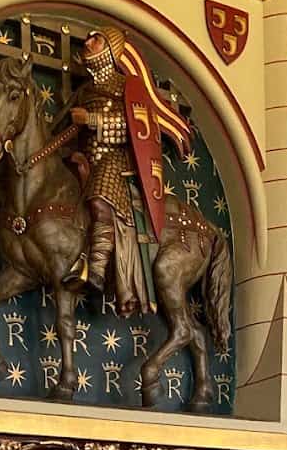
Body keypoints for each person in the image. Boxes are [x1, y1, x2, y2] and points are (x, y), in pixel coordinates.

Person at [61, 27, 192, 315]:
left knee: (99, 200)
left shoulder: (126, 87)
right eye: (88, 38)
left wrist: (93, 120)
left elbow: (136, 129)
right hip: (85, 158)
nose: (87, 42)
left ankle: (95, 270)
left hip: (117, 161)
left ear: (111, 49)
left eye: (97, 39)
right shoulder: (83, 92)